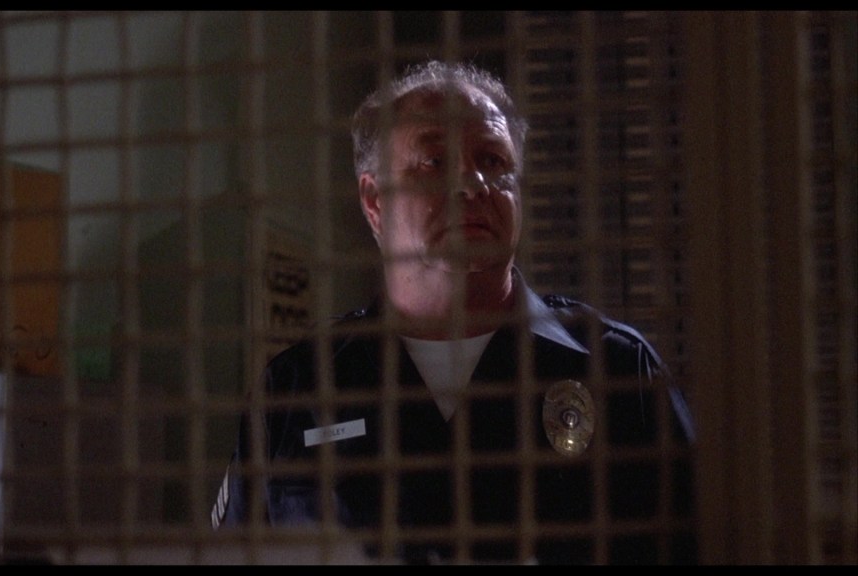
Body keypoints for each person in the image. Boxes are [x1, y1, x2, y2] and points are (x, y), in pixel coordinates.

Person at [211, 60, 697, 565]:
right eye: (434, 162)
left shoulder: (615, 371)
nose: (473, 184)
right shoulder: (299, 389)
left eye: (493, 159)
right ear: (374, 200)